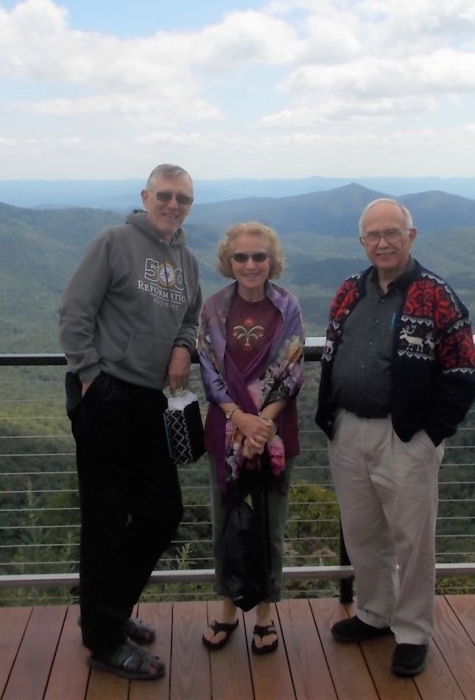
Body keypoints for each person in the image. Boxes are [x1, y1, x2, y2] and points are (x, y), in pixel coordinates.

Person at [315, 197, 475, 678]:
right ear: (362, 241)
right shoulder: (349, 290)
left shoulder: (436, 295)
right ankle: (374, 612)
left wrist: (428, 434)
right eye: (373, 234)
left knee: (412, 541)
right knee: (362, 533)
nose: (382, 241)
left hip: (404, 436)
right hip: (347, 429)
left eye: (392, 232)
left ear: (412, 235)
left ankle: (411, 631)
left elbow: (462, 373)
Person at [58, 163, 201, 681]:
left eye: (182, 198)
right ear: (146, 196)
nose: (173, 204)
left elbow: (191, 318)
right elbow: (75, 311)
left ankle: (108, 612)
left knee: (163, 512)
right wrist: (92, 377)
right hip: (107, 396)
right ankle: (104, 639)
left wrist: (184, 347)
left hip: (153, 403)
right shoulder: (114, 242)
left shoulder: (186, 259)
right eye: (164, 195)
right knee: (106, 518)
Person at [197, 222, 304, 656]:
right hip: (226, 432)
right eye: (241, 257)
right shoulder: (214, 308)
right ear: (229, 260)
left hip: (274, 434)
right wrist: (241, 418)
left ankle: (264, 616)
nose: (250, 264)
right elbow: (207, 366)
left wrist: (262, 425)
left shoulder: (286, 306)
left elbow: (292, 366)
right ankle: (225, 609)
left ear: (271, 260)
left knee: (269, 526)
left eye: (259, 256)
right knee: (225, 524)